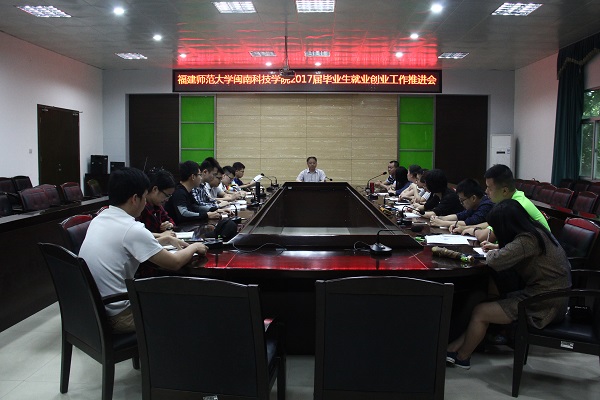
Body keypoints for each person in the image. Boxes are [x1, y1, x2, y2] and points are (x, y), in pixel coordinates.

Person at [79, 167, 208, 333]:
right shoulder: (132, 229)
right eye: (145, 196)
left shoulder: (100, 218)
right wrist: (194, 246)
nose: (146, 202)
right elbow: (175, 263)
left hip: (94, 309)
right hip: (121, 315)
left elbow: (126, 243)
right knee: (186, 304)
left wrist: (164, 239)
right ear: (135, 199)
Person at [446, 199, 571, 369]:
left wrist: (493, 252)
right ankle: (453, 348)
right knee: (489, 301)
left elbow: (495, 261)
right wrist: (498, 247)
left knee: (481, 311)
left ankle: (462, 357)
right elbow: (513, 251)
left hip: (545, 304)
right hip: (553, 296)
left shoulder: (527, 240)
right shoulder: (535, 232)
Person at [454, 164, 550, 243]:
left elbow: (487, 236)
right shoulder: (513, 197)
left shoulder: (515, 207)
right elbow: (491, 225)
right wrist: (466, 228)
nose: (486, 191)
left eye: (489, 188)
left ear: (504, 191)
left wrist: (472, 230)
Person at [165, 160, 220, 224]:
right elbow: (183, 214)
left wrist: (214, 209)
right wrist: (206, 215)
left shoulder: (188, 191)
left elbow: (195, 207)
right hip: (179, 227)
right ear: (193, 177)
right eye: (199, 175)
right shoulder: (179, 192)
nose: (201, 178)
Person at [137, 168, 177, 237]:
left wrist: (169, 225)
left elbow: (169, 220)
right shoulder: (140, 206)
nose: (167, 200)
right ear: (155, 189)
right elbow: (137, 232)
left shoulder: (157, 206)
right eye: (167, 195)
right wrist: (160, 235)